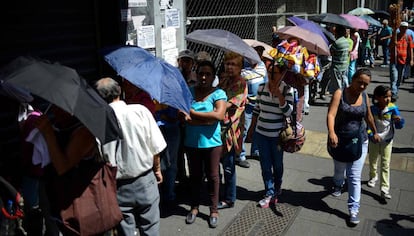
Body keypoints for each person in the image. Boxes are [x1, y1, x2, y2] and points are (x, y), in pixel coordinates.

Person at [96, 77, 167, 236]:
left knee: (125, 230)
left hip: (118, 184)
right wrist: (157, 170)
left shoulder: (99, 121)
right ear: (119, 91)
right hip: (145, 179)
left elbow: (99, 156)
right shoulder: (140, 111)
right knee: (150, 228)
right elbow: (155, 146)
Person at [326, 68, 380, 225]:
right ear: (353, 79)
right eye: (360, 83)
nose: (362, 87)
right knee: (339, 170)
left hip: (360, 140)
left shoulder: (364, 96)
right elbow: (331, 114)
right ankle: (337, 184)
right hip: (340, 139)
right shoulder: (339, 93)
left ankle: (353, 209)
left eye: (366, 84)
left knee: (354, 175)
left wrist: (374, 132)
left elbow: (368, 116)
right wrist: (331, 132)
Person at [183, 60, 227, 228]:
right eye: (201, 73)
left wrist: (193, 114)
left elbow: (219, 116)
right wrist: (205, 119)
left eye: (208, 74)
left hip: (212, 144)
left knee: (213, 176)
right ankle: (194, 207)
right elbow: (182, 113)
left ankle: (214, 210)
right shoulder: (190, 91)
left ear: (213, 76)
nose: (203, 77)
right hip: (191, 142)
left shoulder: (219, 93)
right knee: (194, 176)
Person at [246, 59, 294, 208]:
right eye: (269, 72)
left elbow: (289, 112)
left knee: (277, 164)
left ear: (282, 74)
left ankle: (277, 186)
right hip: (262, 133)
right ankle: (269, 191)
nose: (271, 76)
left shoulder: (287, 90)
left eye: (275, 73)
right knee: (265, 165)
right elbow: (256, 110)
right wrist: (251, 129)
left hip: (277, 137)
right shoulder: (261, 88)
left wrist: (279, 94)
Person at [217, 51, 248, 210]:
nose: (229, 67)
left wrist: (214, 106)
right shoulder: (223, 79)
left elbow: (229, 104)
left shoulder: (241, 83)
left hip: (230, 130)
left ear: (240, 67)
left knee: (228, 166)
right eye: (227, 63)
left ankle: (229, 198)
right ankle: (217, 192)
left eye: (233, 64)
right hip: (218, 127)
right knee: (216, 163)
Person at [367, 85, 405, 200]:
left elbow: (399, 126)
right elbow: (368, 125)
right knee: (373, 159)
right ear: (377, 97)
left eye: (389, 96)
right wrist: (371, 135)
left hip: (387, 140)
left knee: (385, 164)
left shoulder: (393, 108)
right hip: (374, 139)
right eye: (385, 97)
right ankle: (373, 176)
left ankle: (384, 188)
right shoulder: (372, 109)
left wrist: (400, 121)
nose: (388, 99)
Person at [237, 45, 268, 168]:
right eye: (255, 54)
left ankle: (255, 151)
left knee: (257, 129)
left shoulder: (262, 66)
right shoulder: (243, 68)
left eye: (260, 54)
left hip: (260, 104)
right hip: (248, 105)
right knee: (244, 130)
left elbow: (266, 82)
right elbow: (240, 86)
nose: (257, 57)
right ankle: (240, 155)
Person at [320, 25, 350, 97]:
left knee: (337, 86)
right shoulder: (346, 41)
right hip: (345, 65)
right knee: (344, 83)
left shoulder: (337, 43)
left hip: (337, 67)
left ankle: (338, 100)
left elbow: (330, 52)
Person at [389, 21, 414, 102]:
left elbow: (410, 49)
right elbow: (390, 47)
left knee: (399, 78)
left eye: (405, 28)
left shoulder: (408, 37)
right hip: (394, 60)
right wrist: (394, 43)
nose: (404, 29)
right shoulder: (395, 36)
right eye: (402, 27)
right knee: (394, 77)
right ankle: (393, 93)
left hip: (403, 61)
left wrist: (411, 59)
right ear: (399, 28)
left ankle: (395, 91)